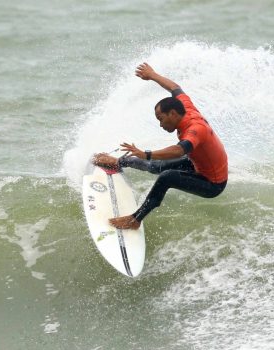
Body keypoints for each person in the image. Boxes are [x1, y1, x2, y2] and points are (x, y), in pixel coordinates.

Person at [93, 62, 228, 230]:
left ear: (172, 114)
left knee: (167, 176)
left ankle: (135, 220)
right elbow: (175, 88)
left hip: (212, 184)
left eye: (161, 119)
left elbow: (179, 150)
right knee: (155, 166)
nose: (161, 124)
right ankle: (118, 162)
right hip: (197, 164)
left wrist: (146, 153)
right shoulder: (185, 107)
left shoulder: (195, 129)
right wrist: (153, 75)